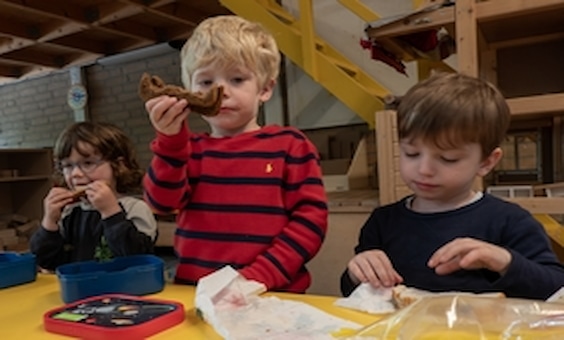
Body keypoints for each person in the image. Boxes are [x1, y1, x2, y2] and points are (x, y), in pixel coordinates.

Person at [143, 15, 327, 293]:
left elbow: (310, 221)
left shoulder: (290, 146)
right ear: (189, 91)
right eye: (205, 82)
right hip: (198, 293)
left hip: (271, 294)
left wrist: (256, 278)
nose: (221, 91)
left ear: (265, 89)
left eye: (237, 79)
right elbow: (162, 203)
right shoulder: (187, 150)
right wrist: (170, 142)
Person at [341, 72, 564, 300]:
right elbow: (352, 292)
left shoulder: (510, 221)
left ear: (486, 162)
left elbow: (555, 287)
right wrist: (356, 273)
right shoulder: (383, 221)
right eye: (412, 153)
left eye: (448, 158)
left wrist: (504, 261)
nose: (424, 169)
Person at [30, 122, 157, 270]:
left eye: (88, 163)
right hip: (79, 289)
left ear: (118, 166)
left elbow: (138, 259)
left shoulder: (135, 208)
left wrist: (111, 212)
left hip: (122, 290)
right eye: (68, 166)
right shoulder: (70, 212)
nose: (76, 174)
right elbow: (45, 261)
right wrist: (49, 222)